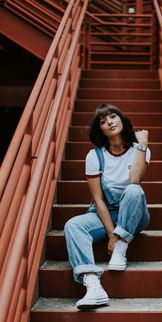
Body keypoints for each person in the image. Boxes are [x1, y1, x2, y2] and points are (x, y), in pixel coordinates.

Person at [64, 103, 151, 310]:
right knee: (72, 225)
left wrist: (143, 145)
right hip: (106, 213)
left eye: (113, 116)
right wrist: (112, 233)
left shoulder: (140, 149)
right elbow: (98, 199)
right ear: (100, 130)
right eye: (103, 121)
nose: (109, 122)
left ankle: (122, 247)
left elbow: (135, 179)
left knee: (133, 190)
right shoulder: (95, 156)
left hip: (134, 214)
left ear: (122, 119)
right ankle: (93, 284)